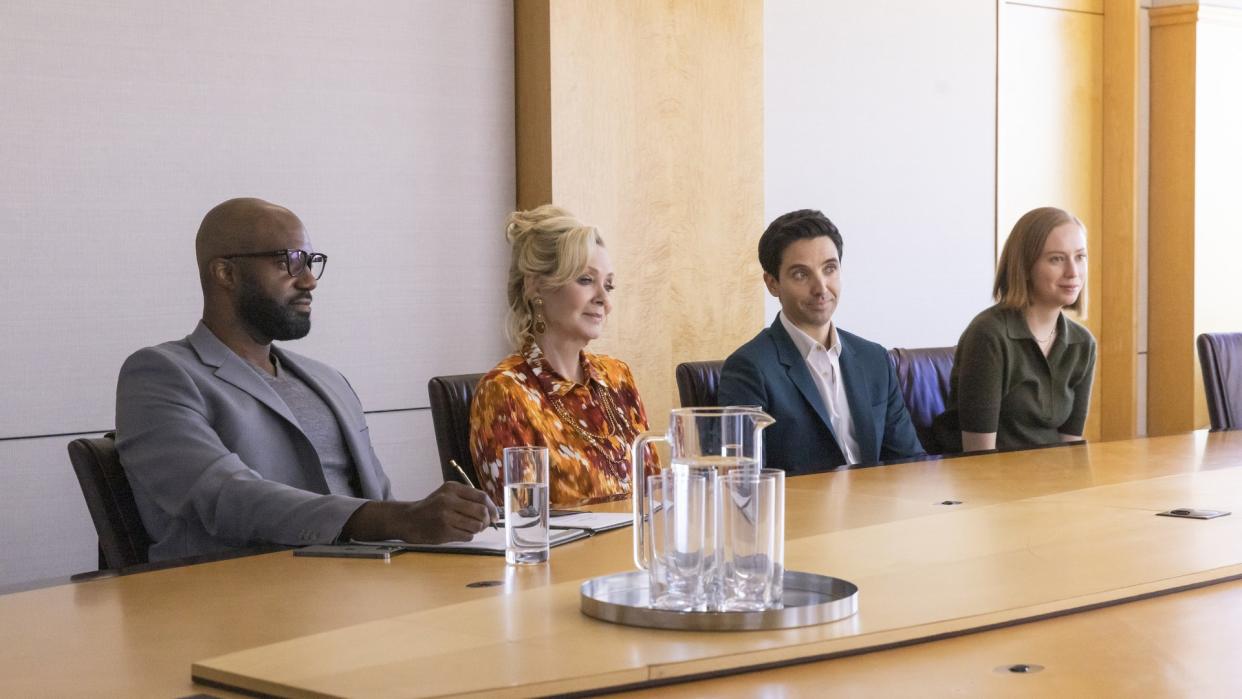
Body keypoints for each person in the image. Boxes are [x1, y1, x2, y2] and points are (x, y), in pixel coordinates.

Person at [115, 197, 495, 561]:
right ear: (225, 273)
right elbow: (226, 497)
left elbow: (381, 500)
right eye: (289, 262)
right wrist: (396, 519)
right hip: (235, 600)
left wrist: (438, 524)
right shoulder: (160, 375)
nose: (309, 280)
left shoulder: (328, 381)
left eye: (311, 261)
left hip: (361, 585)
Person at [469, 205, 655, 507]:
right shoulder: (504, 392)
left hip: (634, 553)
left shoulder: (618, 376)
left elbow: (655, 495)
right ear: (536, 286)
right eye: (585, 280)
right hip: (563, 556)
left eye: (609, 285)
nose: (604, 300)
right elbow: (522, 523)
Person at [718, 209, 923, 474]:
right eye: (801, 274)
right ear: (772, 284)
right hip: (800, 514)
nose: (821, 287)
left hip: (876, 510)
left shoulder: (874, 359)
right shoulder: (749, 368)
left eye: (829, 269)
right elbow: (743, 482)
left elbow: (910, 464)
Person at [932, 206, 1096, 453]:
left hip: (1051, 483)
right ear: (1026, 266)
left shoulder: (1082, 343)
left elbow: (1070, 449)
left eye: (1080, 257)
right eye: (1056, 259)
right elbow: (979, 455)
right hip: (990, 482)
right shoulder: (988, 335)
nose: (1073, 272)